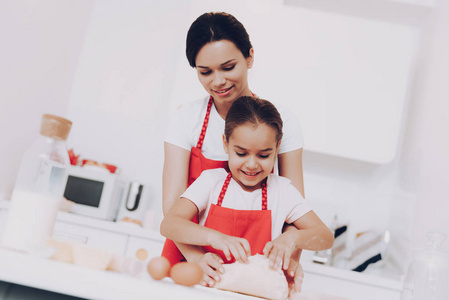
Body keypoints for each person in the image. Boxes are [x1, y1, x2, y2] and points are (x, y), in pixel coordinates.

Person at [162, 12, 307, 292]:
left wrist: (287, 262)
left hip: (253, 268)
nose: (218, 81)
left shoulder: (282, 122)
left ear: (249, 57)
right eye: (205, 72)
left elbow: (295, 215)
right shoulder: (187, 119)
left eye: (228, 67)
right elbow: (171, 208)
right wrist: (197, 258)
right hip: (188, 257)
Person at [161, 97, 334, 294]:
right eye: (241, 153)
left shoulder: (283, 191)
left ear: (277, 149)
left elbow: (325, 237)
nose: (251, 164)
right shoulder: (210, 182)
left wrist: (292, 238)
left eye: (263, 155)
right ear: (226, 144)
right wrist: (213, 240)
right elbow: (169, 224)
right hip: (207, 292)